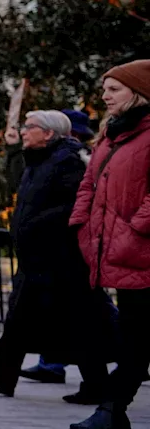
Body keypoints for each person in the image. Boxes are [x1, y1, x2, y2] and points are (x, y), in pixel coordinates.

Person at [0, 111, 115, 403]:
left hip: (61, 258)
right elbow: (19, 184)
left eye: (30, 127)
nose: (25, 131)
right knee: (20, 315)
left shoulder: (68, 160)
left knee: (79, 321)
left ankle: (97, 385)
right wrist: (14, 150)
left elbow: (73, 205)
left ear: (48, 133)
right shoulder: (40, 159)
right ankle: (4, 374)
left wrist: (35, 225)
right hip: (36, 256)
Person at [70, 60, 150, 429]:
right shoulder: (110, 135)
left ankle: (111, 409)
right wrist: (82, 224)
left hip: (141, 249)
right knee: (134, 336)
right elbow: (90, 183)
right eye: (105, 89)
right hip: (121, 254)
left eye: (114, 89)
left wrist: (136, 229)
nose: (105, 96)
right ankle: (112, 412)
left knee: (137, 338)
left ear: (138, 92)